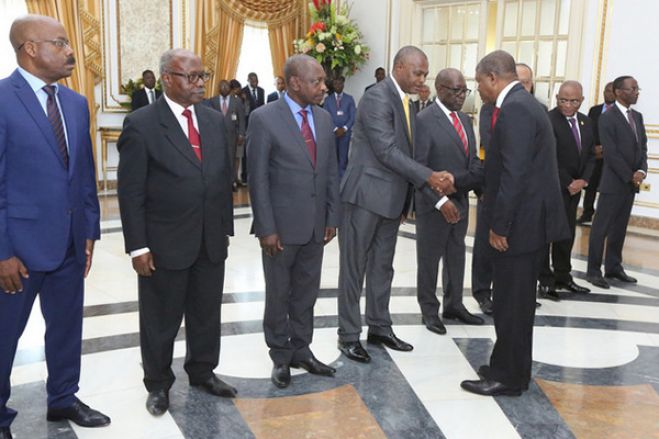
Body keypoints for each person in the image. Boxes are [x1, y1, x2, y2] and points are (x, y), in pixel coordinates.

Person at [0, 15, 110, 438]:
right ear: (30, 49)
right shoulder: (3, 99)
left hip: (68, 243)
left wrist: (88, 232)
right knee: (5, 335)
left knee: (66, 327)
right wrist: (2, 252)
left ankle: (63, 396)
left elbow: (83, 174)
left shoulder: (76, 103)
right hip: (18, 250)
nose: (70, 52)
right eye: (60, 43)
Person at [117, 49, 236, 417]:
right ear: (167, 78)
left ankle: (202, 371)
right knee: (160, 317)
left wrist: (224, 228)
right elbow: (131, 191)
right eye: (191, 77)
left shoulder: (215, 121)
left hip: (210, 238)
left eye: (203, 75)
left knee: (206, 314)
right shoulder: (142, 124)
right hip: (165, 241)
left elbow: (221, 178)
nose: (200, 83)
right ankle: (158, 384)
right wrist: (138, 246)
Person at [460, 50, 567, 396]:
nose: (480, 91)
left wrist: (500, 225)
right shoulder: (527, 104)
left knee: (510, 305)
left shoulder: (516, 110)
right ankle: (511, 368)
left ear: (493, 77)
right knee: (516, 304)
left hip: (519, 228)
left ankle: (506, 377)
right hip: (529, 225)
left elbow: (514, 175)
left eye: (480, 83)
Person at [337, 46, 448, 363]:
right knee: (353, 269)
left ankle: (379, 327)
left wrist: (408, 197)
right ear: (399, 67)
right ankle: (347, 335)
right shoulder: (377, 97)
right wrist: (428, 177)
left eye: (425, 73)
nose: (422, 78)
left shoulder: (407, 102)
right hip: (365, 197)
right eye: (417, 72)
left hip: (390, 200)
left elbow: (406, 151)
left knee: (382, 267)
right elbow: (386, 151)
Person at [247, 54, 340, 389]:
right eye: (316, 81)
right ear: (295, 83)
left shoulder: (325, 119)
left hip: (316, 226)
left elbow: (330, 171)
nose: (323, 87)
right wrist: (267, 228)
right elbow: (257, 179)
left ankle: (302, 349)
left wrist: (332, 216)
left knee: (306, 292)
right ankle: (281, 355)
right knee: (279, 294)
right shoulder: (264, 118)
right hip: (281, 229)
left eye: (323, 81)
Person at [414, 68, 484, 335]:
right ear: (440, 89)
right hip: (433, 206)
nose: (461, 96)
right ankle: (429, 311)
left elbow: (474, 163)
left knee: (456, 257)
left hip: (461, 202)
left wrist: (458, 184)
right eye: (455, 91)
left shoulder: (466, 120)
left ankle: (454, 304)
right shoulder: (423, 120)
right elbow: (418, 169)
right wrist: (441, 201)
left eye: (464, 91)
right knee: (429, 261)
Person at [586, 76, 647, 289]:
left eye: (637, 88)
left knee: (619, 228)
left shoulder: (637, 117)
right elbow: (610, 152)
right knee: (600, 228)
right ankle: (593, 270)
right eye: (633, 88)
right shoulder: (607, 118)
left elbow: (642, 148)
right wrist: (629, 174)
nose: (637, 92)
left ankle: (614, 267)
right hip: (614, 182)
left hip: (631, 184)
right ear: (619, 92)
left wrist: (641, 170)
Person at [537, 81, 594, 300]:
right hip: (553, 187)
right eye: (563, 100)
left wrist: (584, 180)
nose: (568, 105)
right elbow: (548, 157)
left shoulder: (587, 122)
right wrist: (568, 181)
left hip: (575, 189)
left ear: (581, 100)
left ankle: (563, 276)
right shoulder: (548, 121)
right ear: (557, 98)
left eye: (573, 101)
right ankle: (545, 281)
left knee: (567, 234)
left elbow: (591, 155)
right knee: (547, 235)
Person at [579, 82, 615, 224]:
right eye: (606, 91)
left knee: (607, 187)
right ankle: (586, 214)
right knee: (590, 186)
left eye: (612, 91)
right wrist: (593, 148)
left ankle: (604, 218)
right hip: (594, 154)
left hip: (610, 158)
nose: (608, 94)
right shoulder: (594, 110)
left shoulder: (619, 113)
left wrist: (605, 149)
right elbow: (588, 131)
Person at [471, 102, 494, 315]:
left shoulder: (536, 109)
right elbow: (489, 144)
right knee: (484, 242)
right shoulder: (489, 109)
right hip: (491, 184)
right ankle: (482, 292)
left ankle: (511, 292)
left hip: (522, 190)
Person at [205, 79, 246, 189]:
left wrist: (242, 134)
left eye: (226, 86)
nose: (224, 88)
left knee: (231, 159)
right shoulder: (212, 101)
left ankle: (231, 182)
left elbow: (242, 119)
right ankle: (220, 182)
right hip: (216, 136)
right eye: (222, 87)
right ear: (218, 88)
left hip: (232, 136)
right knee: (218, 159)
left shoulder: (236, 101)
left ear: (229, 88)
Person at [322, 76, 356, 177]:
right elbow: (325, 116)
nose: (338, 86)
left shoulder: (349, 99)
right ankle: (333, 179)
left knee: (343, 158)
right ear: (333, 85)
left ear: (343, 84)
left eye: (340, 83)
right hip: (332, 133)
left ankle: (343, 180)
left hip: (345, 134)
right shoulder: (328, 100)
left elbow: (353, 116)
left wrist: (345, 128)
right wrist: (335, 128)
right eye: (336, 84)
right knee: (333, 157)